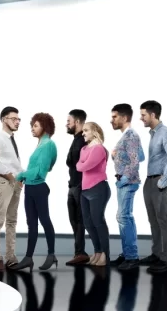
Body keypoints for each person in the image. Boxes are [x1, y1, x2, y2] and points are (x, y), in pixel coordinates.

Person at [10, 113, 59, 272]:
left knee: (44, 221)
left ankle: (51, 254)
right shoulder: (40, 144)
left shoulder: (48, 145)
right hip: (30, 188)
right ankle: (28, 258)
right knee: (32, 224)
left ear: (45, 127)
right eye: (32, 125)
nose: (32, 128)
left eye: (36, 125)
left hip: (38, 188)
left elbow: (41, 171)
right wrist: (26, 176)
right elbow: (42, 168)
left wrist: (22, 175)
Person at [140, 100, 167, 274]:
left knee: (162, 219)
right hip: (149, 180)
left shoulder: (166, 133)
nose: (141, 118)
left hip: (159, 181)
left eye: (143, 115)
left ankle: (165, 259)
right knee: (153, 220)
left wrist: (164, 181)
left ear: (153, 115)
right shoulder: (153, 134)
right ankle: (156, 254)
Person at [0, 106, 25, 272]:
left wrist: (21, 176)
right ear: (4, 119)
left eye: (18, 119)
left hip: (15, 182)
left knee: (12, 221)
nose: (17, 122)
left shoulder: (11, 139)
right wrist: (11, 176)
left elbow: (13, 161)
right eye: (13, 119)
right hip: (3, 181)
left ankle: (11, 257)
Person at [109, 104, 144, 271]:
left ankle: (131, 257)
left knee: (123, 217)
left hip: (127, 182)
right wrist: (115, 155)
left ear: (124, 118)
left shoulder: (130, 136)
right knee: (125, 217)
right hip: (125, 181)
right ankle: (128, 254)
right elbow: (141, 156)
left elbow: (135, 163)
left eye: (114, 116)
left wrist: (122, 179)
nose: (112, 120)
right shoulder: (128, 136)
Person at [76, 122, 111, 267]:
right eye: (82, 131)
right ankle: (97, 251)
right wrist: (81, 163)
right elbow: (78, 165)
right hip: (85, 190)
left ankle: (105, 254)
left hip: (98, 189)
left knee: (98, 222)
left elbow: (84, 166)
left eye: (86, 130)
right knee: (88, 223)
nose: (83, 133)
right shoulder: (85, 148)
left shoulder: (99, 149)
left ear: (94, 131)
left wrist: (82, 163)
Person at [64, 110, 90, 266]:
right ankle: (80, 252)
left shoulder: (84, 140)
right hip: (72, 185)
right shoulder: (75, 140)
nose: (67, 124)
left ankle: (80, 253)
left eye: (69, 121)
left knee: (80, 220)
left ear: (78, 122)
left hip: (80, 186)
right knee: (74, 220)